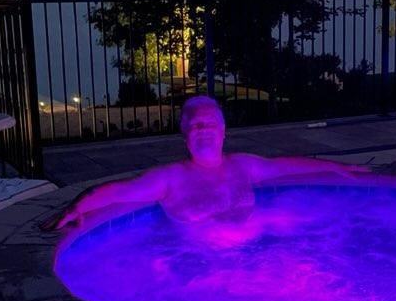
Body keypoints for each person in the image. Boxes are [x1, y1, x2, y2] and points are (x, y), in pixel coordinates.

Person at [42, 96, 362, 228]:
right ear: (185, 135)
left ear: (223, 132)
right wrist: (74, 209)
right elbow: (118, 191)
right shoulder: (170, 178)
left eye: (210, 124)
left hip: (252, 261)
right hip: (193, 268)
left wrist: (338, 168)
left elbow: (285, 166)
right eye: (196, 125)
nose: (204, 130)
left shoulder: (243, 166)